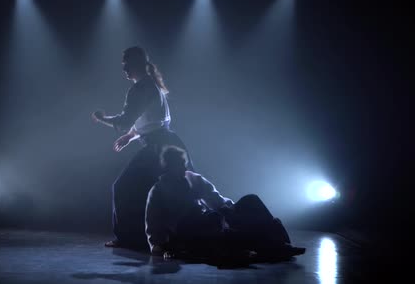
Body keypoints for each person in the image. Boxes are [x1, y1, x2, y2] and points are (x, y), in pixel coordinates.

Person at [92, 46, 194, 249]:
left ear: (138, 64)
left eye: (127, 64)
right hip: (168, 144)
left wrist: (101, 118)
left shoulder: (141, 89)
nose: (124, 69)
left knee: (123, 188)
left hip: (158, 147)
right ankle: (160, 237)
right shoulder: (152, 86)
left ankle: (128, 238)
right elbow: (152, 121)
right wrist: (130, 136)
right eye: (123, 65)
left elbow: (124, 120)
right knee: (179, 188)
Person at [145, 145, 305, 262]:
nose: (182, 168)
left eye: (183, 164)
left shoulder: (193, 178)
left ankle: (279, 242)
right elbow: (152, 221)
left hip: (211, 219)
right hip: (189, 231)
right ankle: (261, 247)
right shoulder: (158, 190)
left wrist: (233, 210)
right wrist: (157, 246)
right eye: (178, 165)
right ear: (168, 167)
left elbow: (215, 198)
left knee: (251, 200)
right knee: (216, 222)